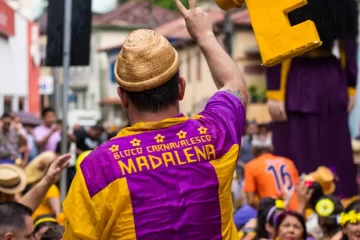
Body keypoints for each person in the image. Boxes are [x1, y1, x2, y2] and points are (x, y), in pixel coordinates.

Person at [63, 0, 248, 238]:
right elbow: (235, 88)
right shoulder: (215, 136)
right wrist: (204, 34)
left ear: (122, 97)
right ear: (181, 88)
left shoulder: (97, 168)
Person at [266, 0, 358, 197]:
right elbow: (348, 41)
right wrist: (350, 84)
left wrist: (275, 90)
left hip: (300, 78)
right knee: (330, 144)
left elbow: (276, 40)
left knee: (302, 145)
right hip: (324, 76)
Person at [243, 135, 300, 210]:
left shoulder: (251, 166)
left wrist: (264, 212)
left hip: (274, 214)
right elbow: (299, 189)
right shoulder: (288, 162)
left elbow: (250, 201)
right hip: (296, 212)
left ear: (253, 150)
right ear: (271, 148)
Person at [24, 152, 60, 220]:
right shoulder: (51, 188)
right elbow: (56, 212)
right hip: (44, 224)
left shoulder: (34, 185)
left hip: (33, 221)